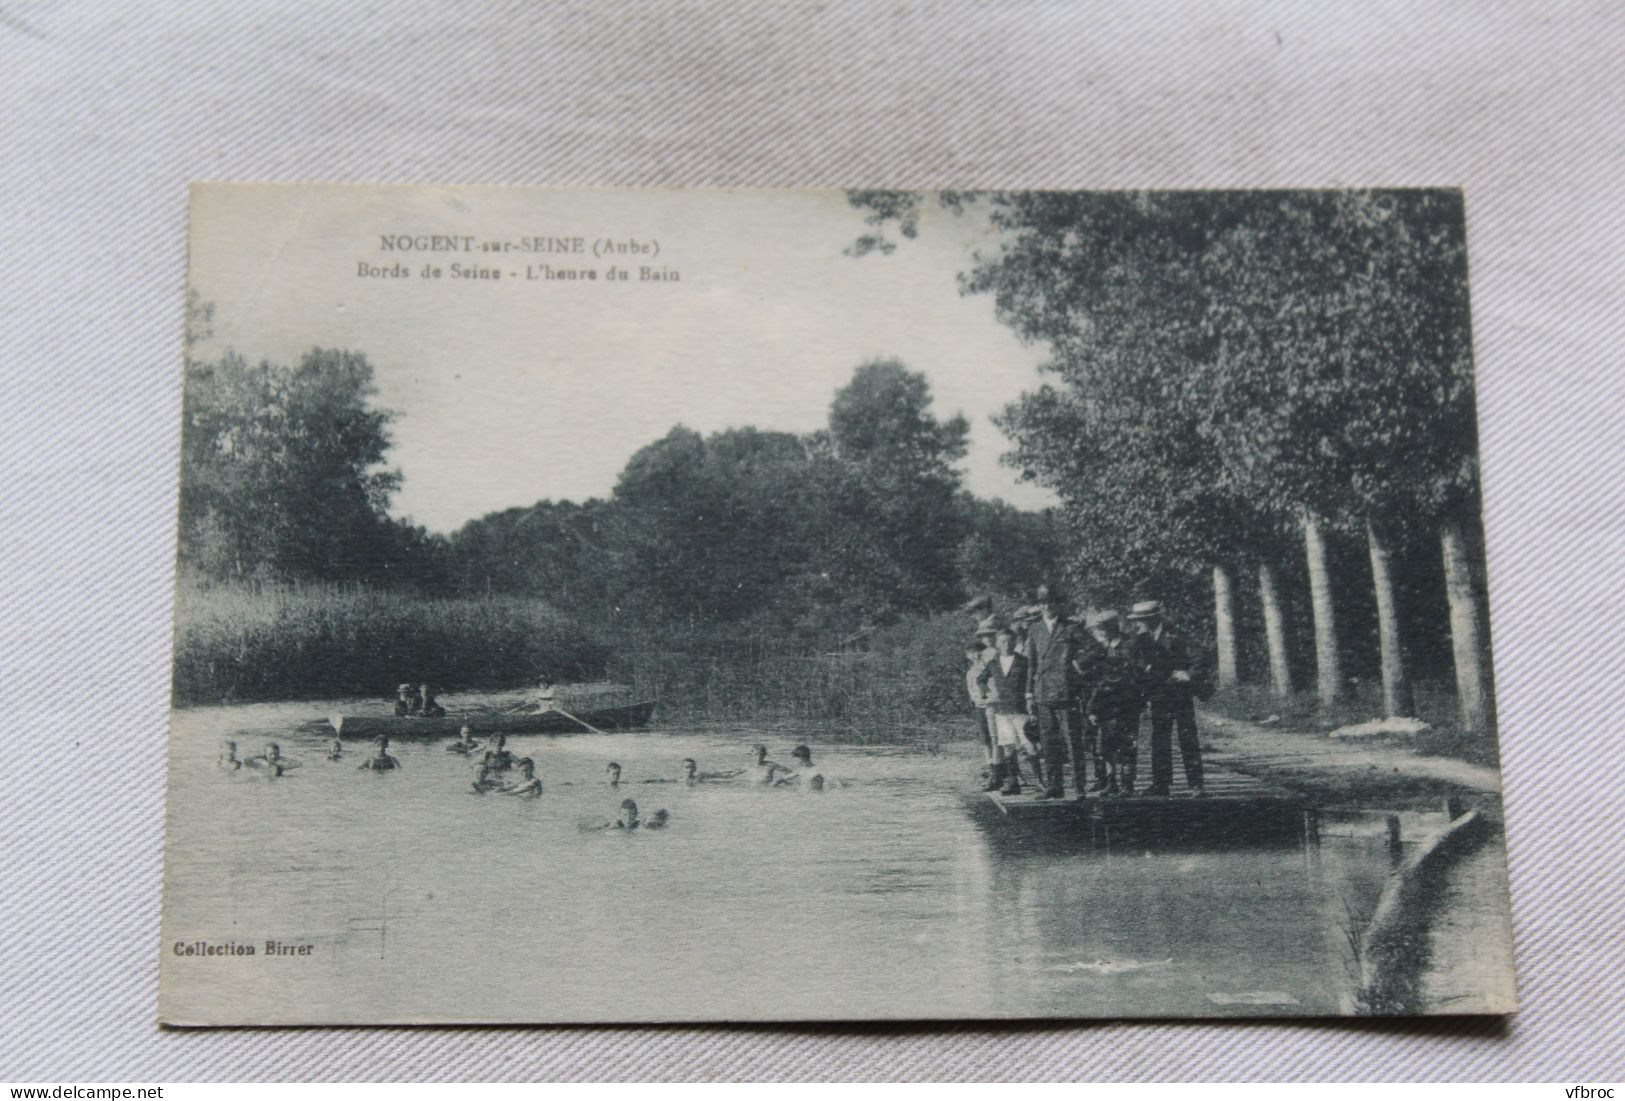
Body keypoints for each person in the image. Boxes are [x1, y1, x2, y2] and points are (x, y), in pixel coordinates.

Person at [1127, 600, 1205, 798]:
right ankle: (1161, 783)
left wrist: (1188, 674)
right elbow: (1133, 661)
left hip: (1180, 693)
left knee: (1187, 737)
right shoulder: (1140, 639)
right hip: (1158, 694)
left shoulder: (1176, 634)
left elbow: (1199, 656)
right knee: (1159, 739)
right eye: (1138, 620)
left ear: (1153, 618)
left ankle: (1196, 785)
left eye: (1142, 620)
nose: (1139, 623)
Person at [1024, 584, 1090, 798]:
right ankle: (1054, 786)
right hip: (1043, 692)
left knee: (1072, 741)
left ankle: (1079, 787)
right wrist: (1028, 693)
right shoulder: (1034, 629)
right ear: (1039, 605)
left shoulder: (1070, 627)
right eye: (1043, 603)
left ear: (1058, 604)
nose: (1047, 606)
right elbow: (1031, 664)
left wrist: (1077, 666)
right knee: (1048, 742)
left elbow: (1093, 650)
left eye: (1051, 602)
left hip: (1066, 692)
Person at [1086, 611, 1141, 796]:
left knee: (1127, 744)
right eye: (1098, 629)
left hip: (1126, 703)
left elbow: (1136, 673)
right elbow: (1095, 680)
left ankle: (1127, 784)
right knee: (1105, 746)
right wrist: (1093, 707)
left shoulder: (1129, 645)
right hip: (1105, 704)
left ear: (1112, 627)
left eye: (1102, 628)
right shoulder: (1101, 649)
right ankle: (1111, 782)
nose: (1099, 632)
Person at [977, 623, 1033, 795]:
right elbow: (981, 679)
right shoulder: (993, 663)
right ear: (998, 643)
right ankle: (1013, 781)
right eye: (1002, 642)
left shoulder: (1024, 661)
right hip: (1002, 710)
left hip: (1020, 708)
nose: (1006, 645)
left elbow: (1032, 681)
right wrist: (987, 693)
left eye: (1009, 641)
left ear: (1015, 642)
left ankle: (1040, 781)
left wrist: (1031, 700)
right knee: (1008, 746)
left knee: (1029, 744)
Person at [965, 617, 999, 782]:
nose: (975, 655)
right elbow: (972, 689)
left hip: (993, 703)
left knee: (996, 737)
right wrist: (978, 698)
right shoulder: (971, 671)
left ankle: (999, 769)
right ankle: (991, 766)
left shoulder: (994, 657)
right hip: (981, 705)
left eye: (990, 635)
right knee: (985, 738)